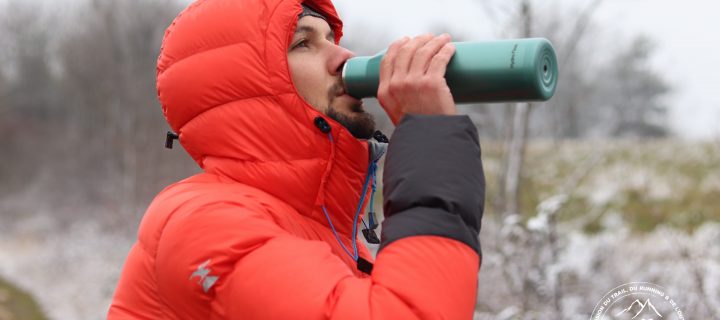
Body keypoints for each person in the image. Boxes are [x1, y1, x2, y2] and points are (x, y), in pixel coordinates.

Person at [108, 0, 485, 319]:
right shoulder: (207, 223)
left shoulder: (316, 225)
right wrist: (431, 135)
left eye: (332, 39)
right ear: (247, 85)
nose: (344, 57)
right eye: (304, 43)